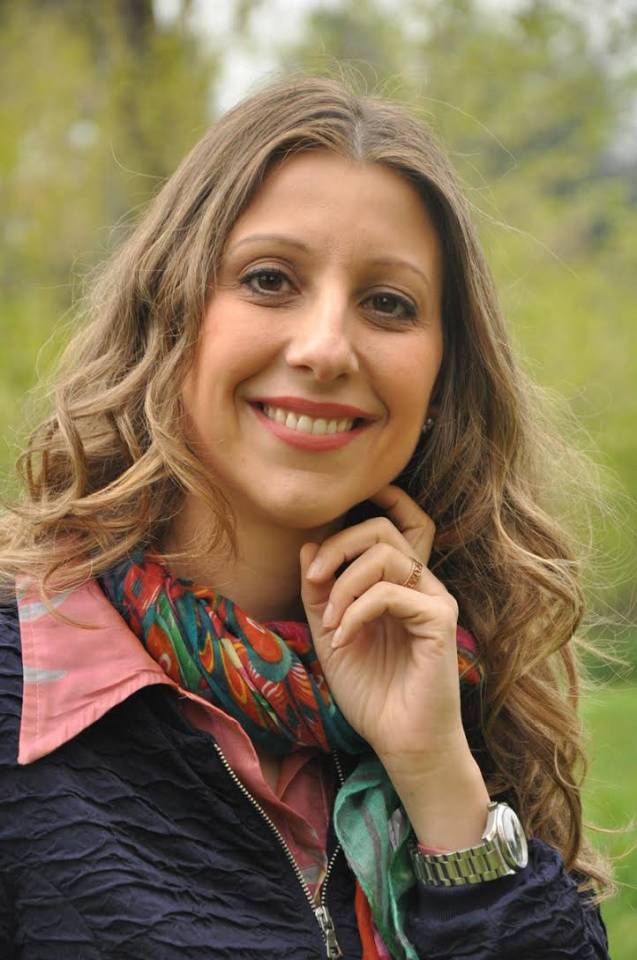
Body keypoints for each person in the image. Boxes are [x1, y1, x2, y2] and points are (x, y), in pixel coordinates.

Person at [0, 73, 612, 959]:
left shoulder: (464, 693)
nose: (326, 348)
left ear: (442, 378)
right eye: (269, 280)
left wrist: (436, 774)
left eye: (388, 303)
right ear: (169, 314)